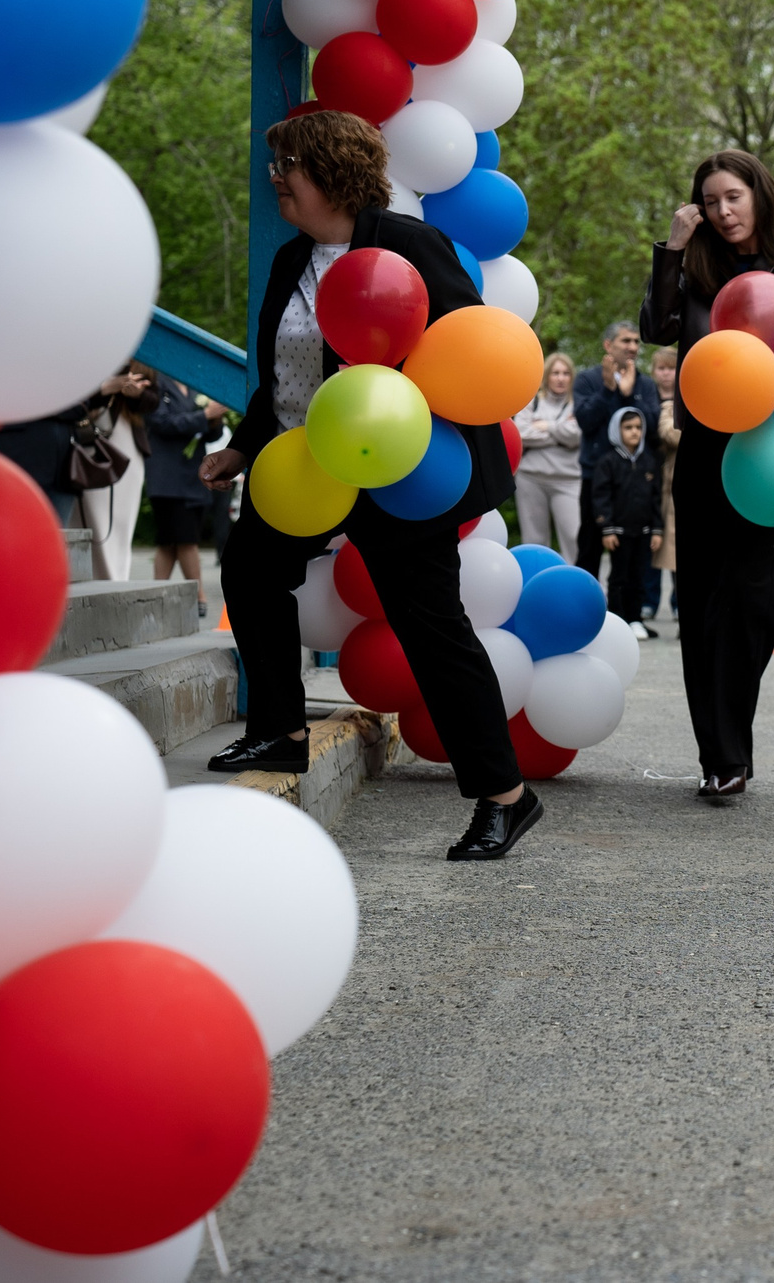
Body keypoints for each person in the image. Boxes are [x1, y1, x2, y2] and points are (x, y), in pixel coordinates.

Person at [201, 110, 535, 860]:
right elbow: (283, 377)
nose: (275, 177)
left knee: (431, 629)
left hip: (396, 470)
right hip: (307, 466)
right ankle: (279, 730)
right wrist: (243, 446)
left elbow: (462, 353)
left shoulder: (410, 246)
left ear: (332, 171)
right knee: (251, 569)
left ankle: (505, 796)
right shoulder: (292, 259)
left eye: (287, 164)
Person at [642, 150, 774, 793]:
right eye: (710, 202)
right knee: (702, 604)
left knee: (752, 604)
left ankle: (731, 742)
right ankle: (722, 758)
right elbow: (658, 328)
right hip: (705, 452)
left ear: (760, 194)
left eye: (733, 196)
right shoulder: (696, 269)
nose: (723, 211)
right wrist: (673, 250)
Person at [572, 323, 657, 578]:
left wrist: (629, 396)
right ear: (608, 345)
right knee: (589, 548)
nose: (633, 347)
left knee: (631, 555)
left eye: (636, 342)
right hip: (596, 478)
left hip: (634, 480)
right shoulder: (588, 379)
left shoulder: (645, 384)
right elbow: (585, 421)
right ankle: (585, 600)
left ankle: (624, 604)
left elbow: (652, 427)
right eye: (626, 341)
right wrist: (608, 391)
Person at [145, 383, 228, 618]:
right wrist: (204, 415)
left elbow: (212, 434)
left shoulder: (194, 385)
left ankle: (156, 596)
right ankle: (198, 595)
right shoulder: (157, 382)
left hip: (193, 476)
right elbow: (162, 422)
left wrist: (215, 420)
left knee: (171, 542)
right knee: (184, 539)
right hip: (167, 477)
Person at [78, 362, 158, 580]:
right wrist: (107, 387)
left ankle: (118, 577)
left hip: (128, 442)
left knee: (122, 521)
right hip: (93, 442)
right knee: (95, 517)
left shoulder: (148, 357)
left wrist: (137, 394)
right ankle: (98, 576)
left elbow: (155, 401)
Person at [593, 406, 662, 624]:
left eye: (638, 427)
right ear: (617, 430)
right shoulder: (608, 462)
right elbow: (601, 497)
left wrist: (657, 529)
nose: (634, 432)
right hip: (619, 532)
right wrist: (607, 529)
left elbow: (656, 498)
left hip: (643, 532)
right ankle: (618, 619)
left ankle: (635, 619)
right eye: (628, 427)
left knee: (639, 576)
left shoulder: (649, 461)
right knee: (619, 577)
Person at [512, 352, 584, 560]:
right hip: (531, 478)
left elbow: (577, 435)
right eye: (555, 373)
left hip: (568, 480)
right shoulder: (532, 401)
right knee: (534, 539)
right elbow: (521, 433)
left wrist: (546, 426)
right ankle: (537, 577)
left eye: (565, 373)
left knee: (574, 537)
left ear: (571, 377)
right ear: (547, 376)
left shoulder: (578, 403)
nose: (560, 378)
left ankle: (573, 579)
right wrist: (560, 434)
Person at [646, 345, 679, 627]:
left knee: (675, 540)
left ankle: (679, 602)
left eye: (671, 368)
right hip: (649, 476)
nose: (666, 374)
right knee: (652, 538)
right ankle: (649, 600)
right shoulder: (647, 395)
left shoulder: (686, 396)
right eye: (661, 368)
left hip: (673, 478)